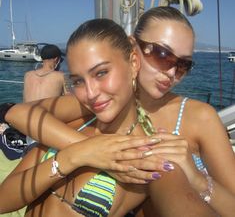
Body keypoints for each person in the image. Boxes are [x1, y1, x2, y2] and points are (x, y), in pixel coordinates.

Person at [0, 18, 215, 217]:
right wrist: (74, 155)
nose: (91, 93)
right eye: (78, 81)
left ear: (133, 63)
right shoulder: (74, 124)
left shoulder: (143, 158)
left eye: (101, 73)